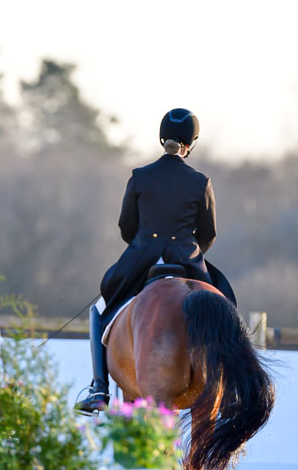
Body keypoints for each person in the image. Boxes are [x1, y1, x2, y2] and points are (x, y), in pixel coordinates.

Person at [75, 107, 236, 414]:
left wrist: (145, 246)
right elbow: (209, 234)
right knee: (225, 304)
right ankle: (230, 384)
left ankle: (99, 388)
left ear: (162, 138)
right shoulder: (200, 181)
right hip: (187, 260)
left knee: (99, 309)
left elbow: (126, 228)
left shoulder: (140, 177)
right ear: (192, 142)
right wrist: (189, 249)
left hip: (143, 259)